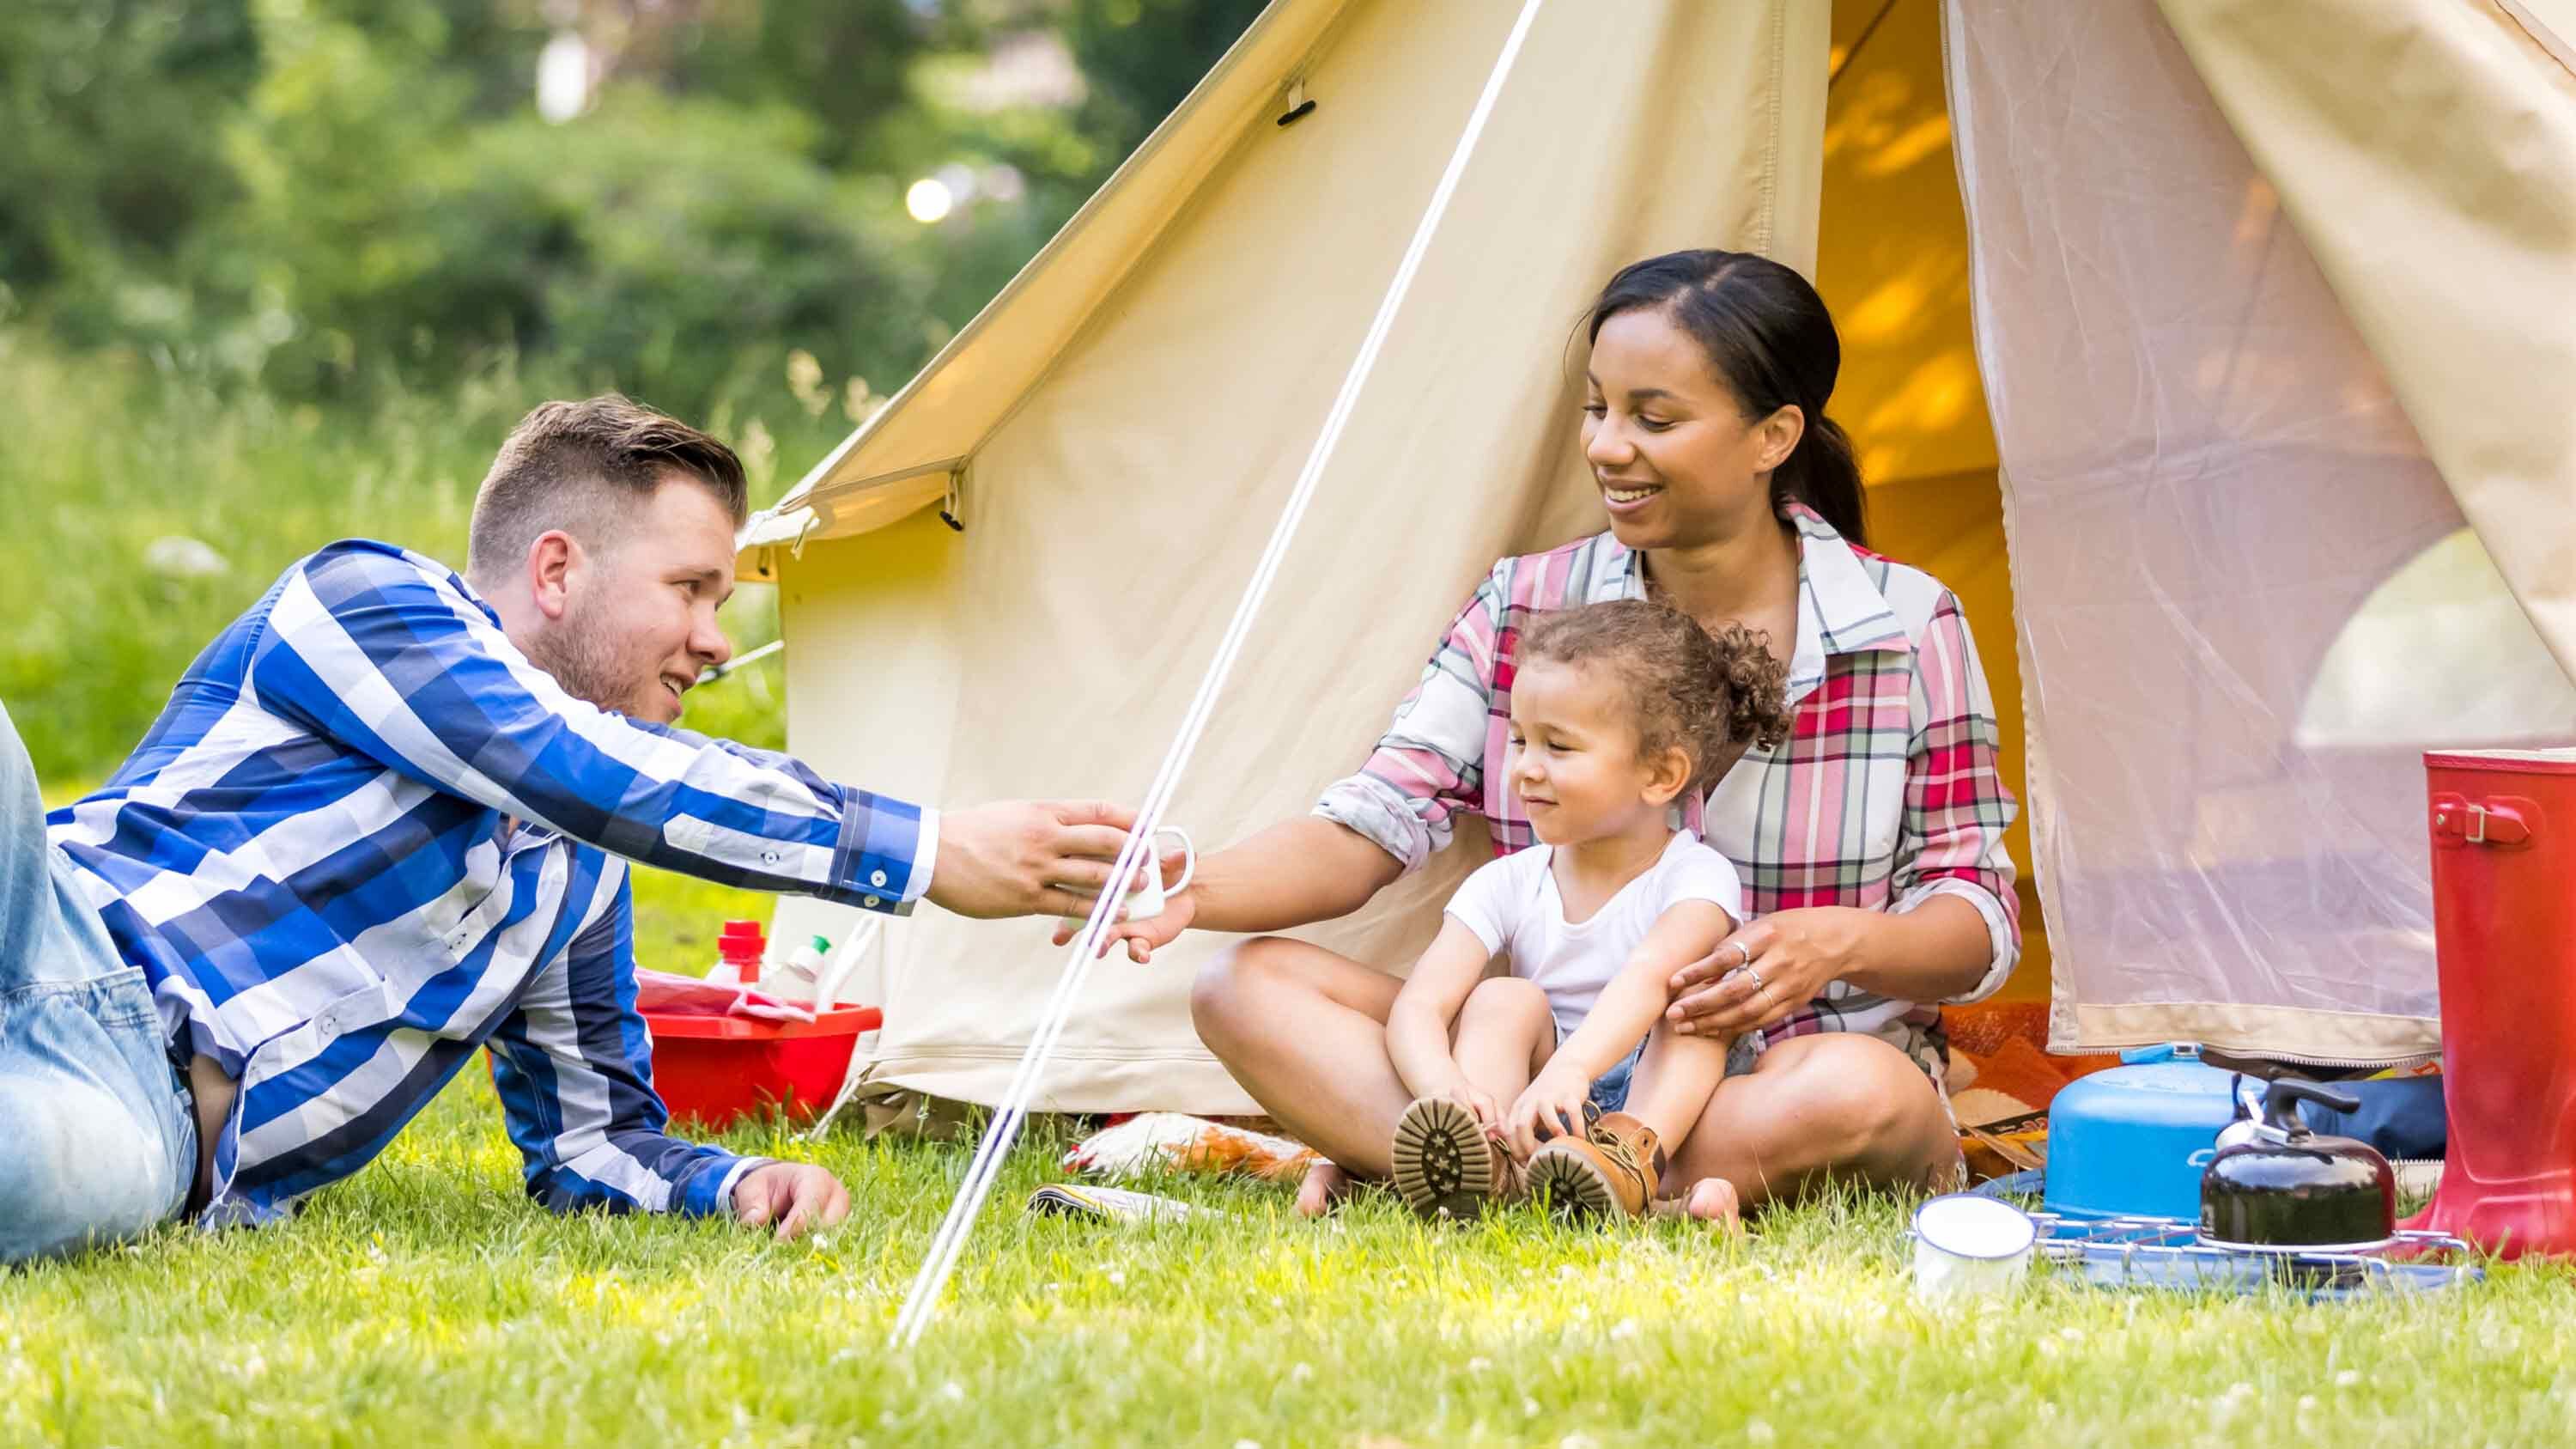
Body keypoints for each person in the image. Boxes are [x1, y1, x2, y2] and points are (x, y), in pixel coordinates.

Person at [3, 395, 1150, 1263]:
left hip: (142, 1118)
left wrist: (736, 1178)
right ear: (558, 568)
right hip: (49, 928)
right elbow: (571, 763)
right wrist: (932, 848)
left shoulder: (573, 878)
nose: (711, 639)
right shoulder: (363, 603)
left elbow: (593, 1143)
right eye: (693, 588)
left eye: (723, 606)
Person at [1094, 248, 2020, 1218]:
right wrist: (1188, 888)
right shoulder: (1526, 606)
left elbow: (1977, 919)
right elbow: (1374, 820)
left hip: (1766, 1083)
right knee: (1242, 986)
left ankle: (1497, 1174)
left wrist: (1839, 945)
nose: (1608, 447)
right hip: (1536, 1070)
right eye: (1598, 409)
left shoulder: (1907, 627)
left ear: (1774, 435)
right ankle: (1545, 1172)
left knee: (1868, 1091)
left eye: (1654, 419)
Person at [1379, 599, 1790, 1226]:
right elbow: (1419, 1004)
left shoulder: (1697, 875)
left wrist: (1575, 1068)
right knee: (1500, 999)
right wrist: (1444, 1088)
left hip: (1665, 1098)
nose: (1525, 769)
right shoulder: (1509, 881)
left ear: (1660, 773)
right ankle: (1486, 1162)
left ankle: (1628, 1165)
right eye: (1520, 740)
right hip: (1544, 1095)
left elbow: (1649, 975)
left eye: (1559, 747)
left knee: (1694, 1007)